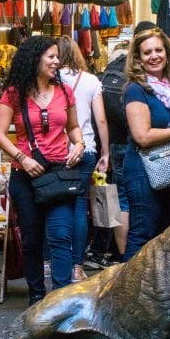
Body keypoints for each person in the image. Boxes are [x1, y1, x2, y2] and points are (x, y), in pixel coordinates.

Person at [0, 36, 86, 304]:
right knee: (32, 239)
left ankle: (59, 298)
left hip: (59, 174)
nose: (57, 61)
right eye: (51, 56)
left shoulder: (65, 92)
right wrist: (22, 157)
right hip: (26, 176)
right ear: (35, 59)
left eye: (58, 56)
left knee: (60, 236)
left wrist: (79, 143)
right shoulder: (14, 93)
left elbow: (73, 127)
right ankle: (36, 295)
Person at [122, 26, 170, 261]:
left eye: (158, 50)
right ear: (138, 59)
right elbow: (143, 136)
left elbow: (166, 127)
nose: (154, 56)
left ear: (167, 53)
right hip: (142, 170)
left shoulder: (167, 90)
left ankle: (155, 292)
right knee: (142, 234)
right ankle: (126, 294)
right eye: (147, 53)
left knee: (165, 233)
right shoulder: (136, 90)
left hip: (166, 165)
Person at [86, 20, 158, 268]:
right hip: (137, 142)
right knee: (134, 199)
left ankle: (106, 251)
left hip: (113, 143)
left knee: (114, 199)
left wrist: (103, 149)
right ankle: (129, 257)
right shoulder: (142, 71)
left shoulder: (114, 65)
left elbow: (103, 116)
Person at [56, 36, 109, 282]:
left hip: (56, 151)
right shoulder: (90, 81)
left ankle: (51, 262)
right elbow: (101, 120)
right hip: (85, 149)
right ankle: (77, 267)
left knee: (54, 206)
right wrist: (105, 152)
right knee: (79, 206)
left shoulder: (51, 80)